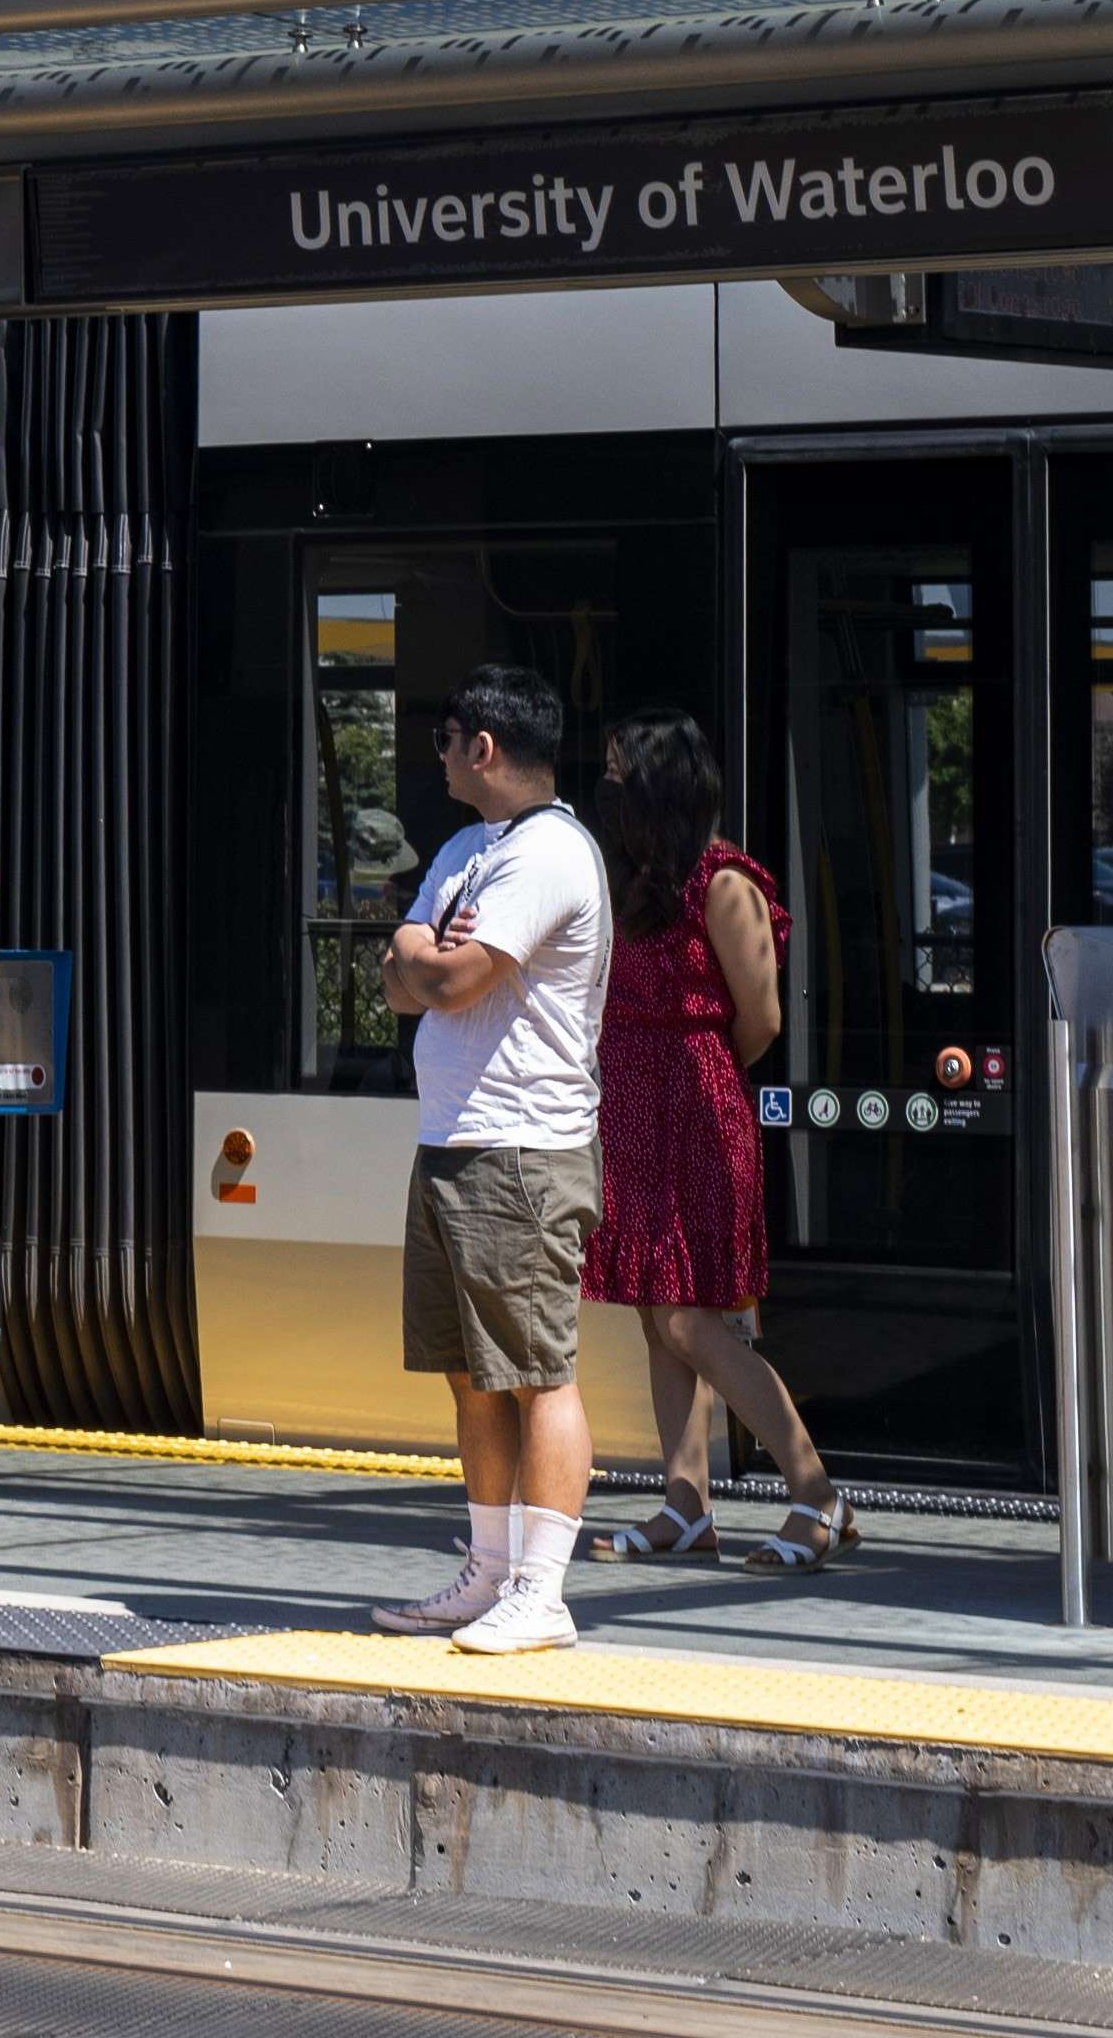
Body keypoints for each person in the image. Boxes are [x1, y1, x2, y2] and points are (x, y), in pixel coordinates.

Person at [373, 663, 618, 1654]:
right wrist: (414, 950)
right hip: (453, 1141)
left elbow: (453, 974)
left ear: (482, 746)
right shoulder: (474, 845)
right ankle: (487, 1570)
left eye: (443, 739)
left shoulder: (549, 853)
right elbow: (404, 976)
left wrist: (420, 955)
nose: (436, 756)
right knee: (472, 1374)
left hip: (519, 1147)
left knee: (535, 1371)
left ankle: (542, 1590)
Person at [579, 715, 853, 1574]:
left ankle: (816, 1492)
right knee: (661, 1321)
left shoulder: (724, 879)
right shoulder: (631, 881)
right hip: (633, 1115)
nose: (607, 787)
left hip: (699, 1115)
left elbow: (761, 1020)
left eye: (622, 773)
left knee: (693, 1321)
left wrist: (682, 1072)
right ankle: (685, 1504)